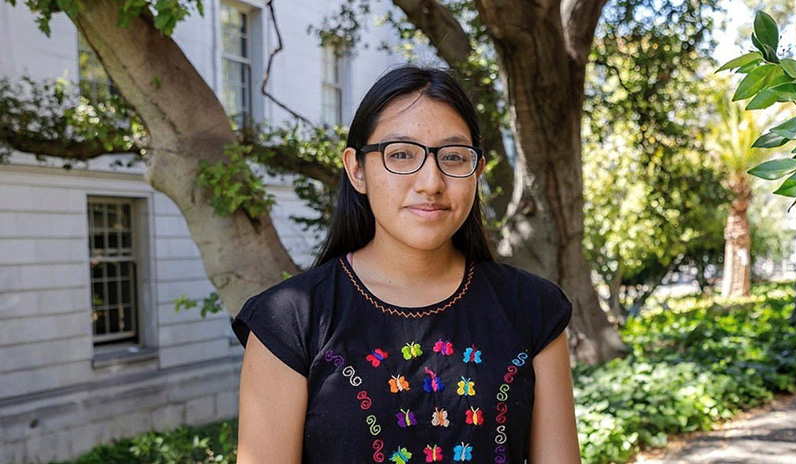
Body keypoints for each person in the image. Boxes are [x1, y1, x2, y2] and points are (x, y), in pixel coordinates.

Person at [231, 65, 581, 463]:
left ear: (477, 171)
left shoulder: (534, 309)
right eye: (401, 154)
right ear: (357, 170)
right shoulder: (288, 321)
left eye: (453, 157)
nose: (431, 182)